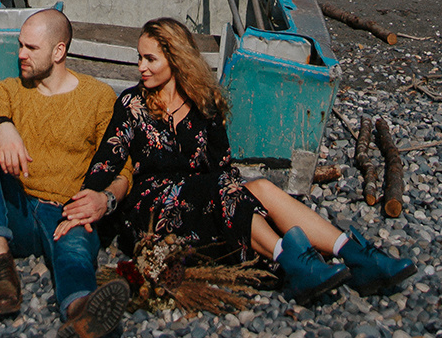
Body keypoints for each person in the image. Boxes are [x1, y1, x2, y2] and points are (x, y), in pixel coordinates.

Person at [57, 17, 417, 303]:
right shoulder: (131, 105)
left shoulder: (205, 104)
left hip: (208, 200)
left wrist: (241, 198)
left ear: (177, 58)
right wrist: (92, 200)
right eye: (140, 58)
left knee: (256, 187)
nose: (141, 67)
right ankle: (294, 262)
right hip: (152, 210)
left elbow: (223, 166)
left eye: (150, 58)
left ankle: (357, 256)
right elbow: (107, 162)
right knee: (224, 188)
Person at [0, 7, 131, 338]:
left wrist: (105, 199)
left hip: (66, 210)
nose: (21, 54)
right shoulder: (10, 89)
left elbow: (122, 167)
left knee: (75, 251)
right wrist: (2, 125)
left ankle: (81, 313)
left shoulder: (98, 98)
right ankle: (2, 266)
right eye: (20, 45)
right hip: (18, 210)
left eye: (31, 48)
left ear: (59, 51)